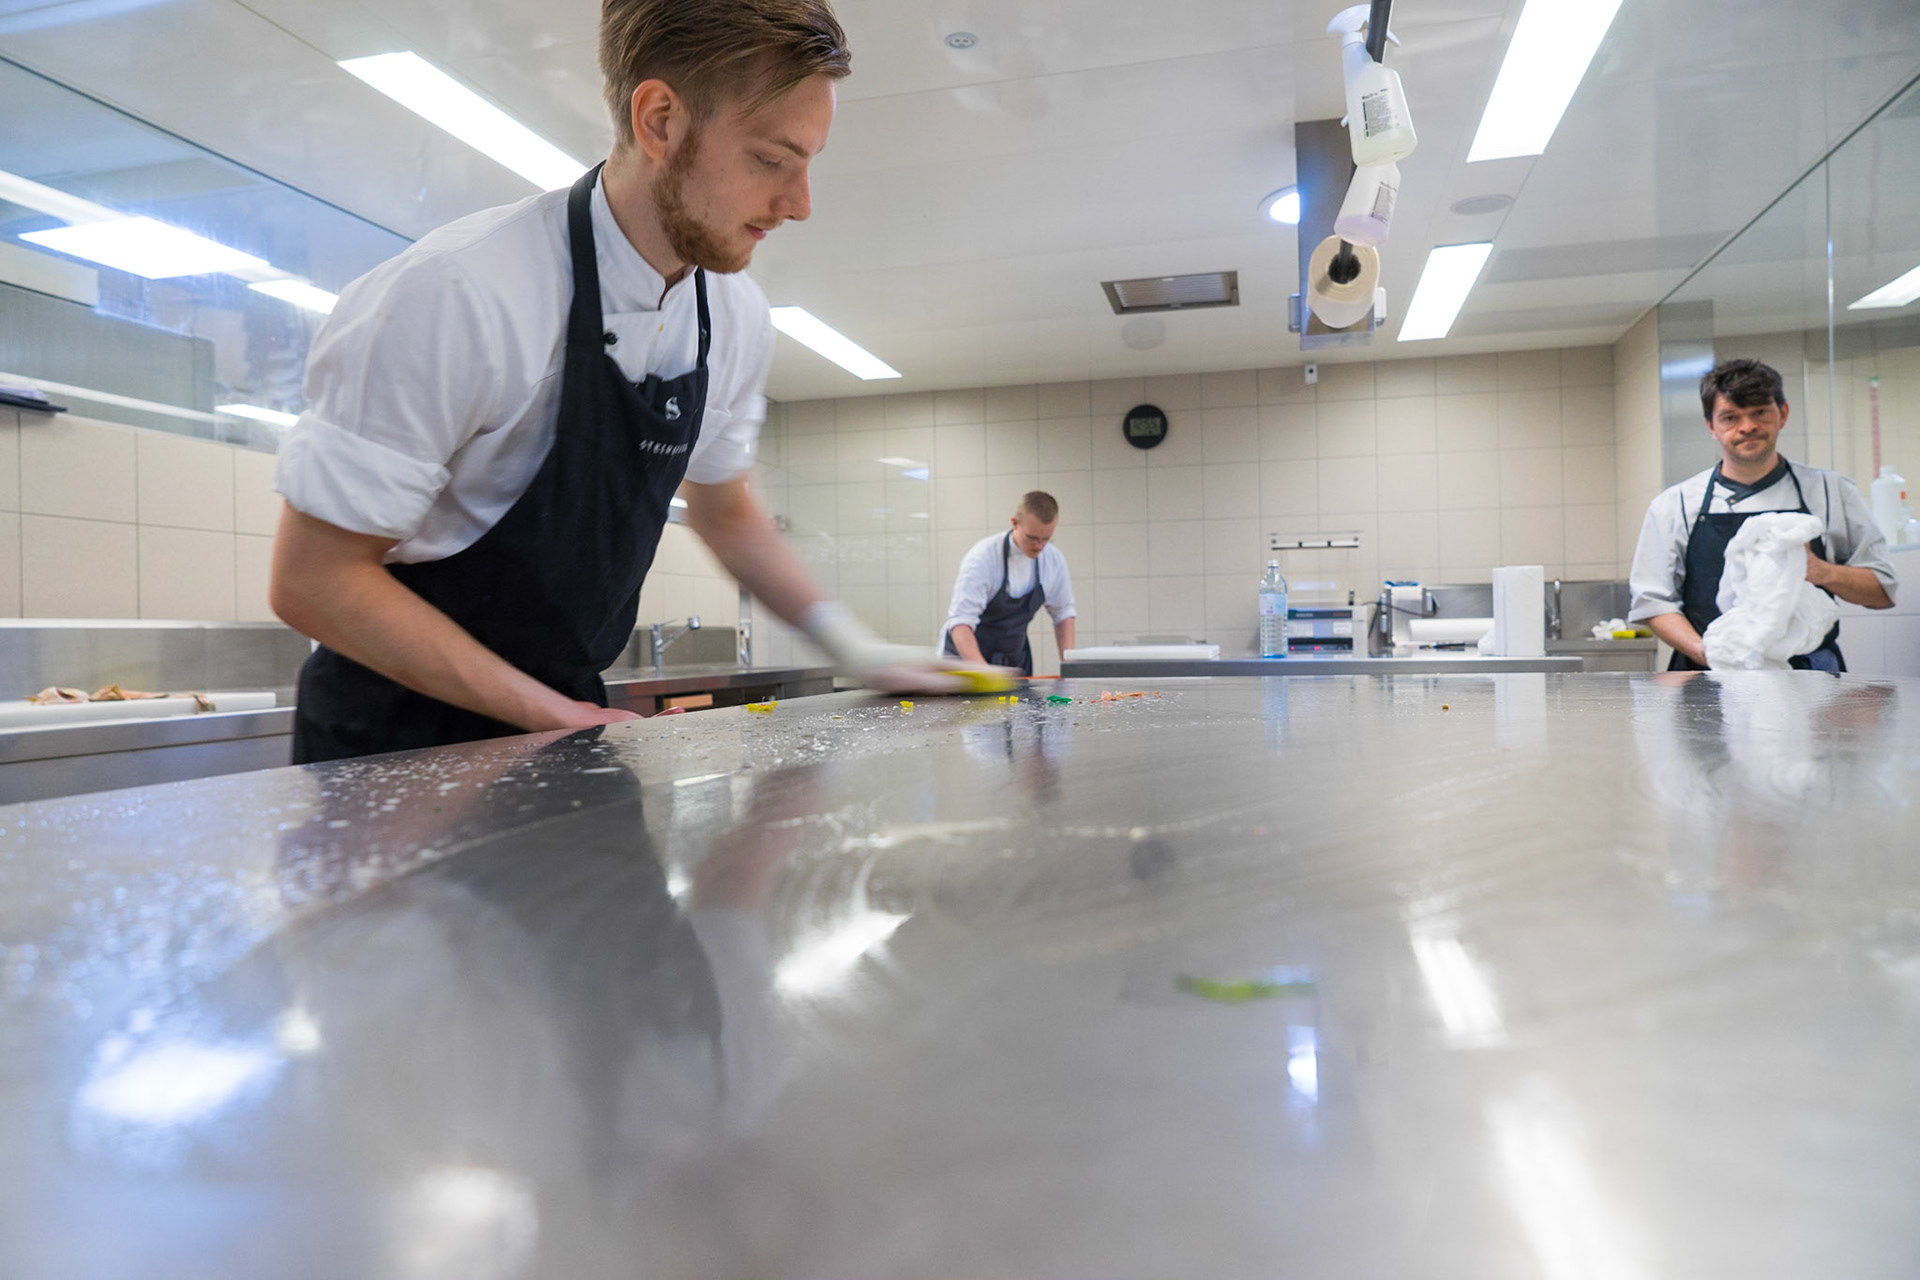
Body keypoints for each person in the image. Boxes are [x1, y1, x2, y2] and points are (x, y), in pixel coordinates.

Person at [269, 0, 965, 764]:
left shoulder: (733, 316)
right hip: (388, 747)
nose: (799, 204)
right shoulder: (461, 293)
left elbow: (725, 507)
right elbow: (315, 580)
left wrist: (856, 648)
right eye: (771, 159)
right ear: (659, 120)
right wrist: (555, 715)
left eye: (809, 163)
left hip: (565, 718)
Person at [1629, 358, 1895, 671]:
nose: (1747, 427)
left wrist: (1820, 571)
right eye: (1730, 417)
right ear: (1711, 426)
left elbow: (1882, 591)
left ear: (1783, 414)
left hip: (1809, 679)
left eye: (1759, 413)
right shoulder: (1674, 505)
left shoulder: (1831, 491)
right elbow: (1653, 602)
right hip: (1708, 675)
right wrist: (1713, 654)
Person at [941, 491, 1077, 676]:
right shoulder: (983, 558)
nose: (1039, 546)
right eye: (1032, 538)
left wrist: (1069, 669)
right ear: (1014, 523)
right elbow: (961, 623)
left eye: (1046, 539)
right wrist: (986, 675)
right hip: (965, 661)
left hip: (1012, 661)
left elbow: (1063, 615)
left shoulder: (1053, 560)